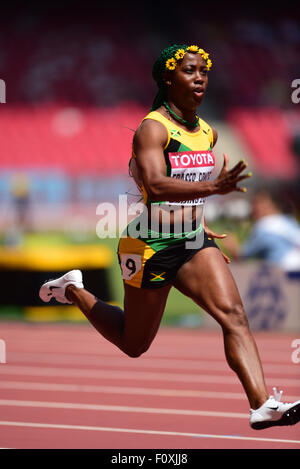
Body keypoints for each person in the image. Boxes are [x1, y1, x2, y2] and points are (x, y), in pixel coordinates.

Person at [39, 44, 300, 430]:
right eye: (190, 71)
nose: (199, 78)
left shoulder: (208, 132)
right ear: (168, 78)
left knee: (234, 316)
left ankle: (261, 404)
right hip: (150, 245)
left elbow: (189, 186)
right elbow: (157, 185)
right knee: (134, 344)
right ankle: (75, 289)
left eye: (204, 72)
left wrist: (199, 216)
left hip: (192, 238)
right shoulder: (153, 128)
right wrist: (214, 188)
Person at [222, 188, 300, 271]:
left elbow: (241, 256)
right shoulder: (290, 220)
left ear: (272, 205)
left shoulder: (263, 225)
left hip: (288, 274)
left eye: (257, 203)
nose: (253, 207)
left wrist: (231, 244)